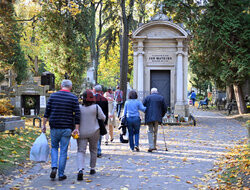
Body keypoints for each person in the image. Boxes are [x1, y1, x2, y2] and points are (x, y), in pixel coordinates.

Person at [42, 80, 80, 181]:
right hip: (67, 127)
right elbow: (77, 114)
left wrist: (43, 125)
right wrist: (76, 128)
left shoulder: (53, 96)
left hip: (54, 126)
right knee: (63, 150)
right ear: (70, 87)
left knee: (54, 147)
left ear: (61, 86)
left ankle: (54, 167)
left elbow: (47, 112)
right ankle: (61, 174)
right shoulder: (73, 98)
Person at [72, 90, 106, 180]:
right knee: (93, 150)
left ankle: (80, 170)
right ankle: (92, 168)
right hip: (94, 131)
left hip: (81, 132)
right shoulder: (96, 107)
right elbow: (103, 117)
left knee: (81, 151)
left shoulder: (79, 107)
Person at [143, 88, 167, 152]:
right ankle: (154, 145)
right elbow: (165, 108)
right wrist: (161, 115)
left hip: (149, 117)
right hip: (157, 118)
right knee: (155, 132)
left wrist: (146, 113)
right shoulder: (161, 98)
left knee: (150, 131)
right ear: (157, 92)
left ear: (151, 92)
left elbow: (143, 106)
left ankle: (151, 146)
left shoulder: (147, 98)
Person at [94, 85, 109, 157]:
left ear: (94, 90)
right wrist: (105, 122)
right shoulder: (104, 99)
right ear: (101, 90)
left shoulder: (92, 98)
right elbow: (106, 111)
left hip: (93, 119)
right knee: (99, 135)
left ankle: (96, 149)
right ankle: (98, 149)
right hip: (101, 119)